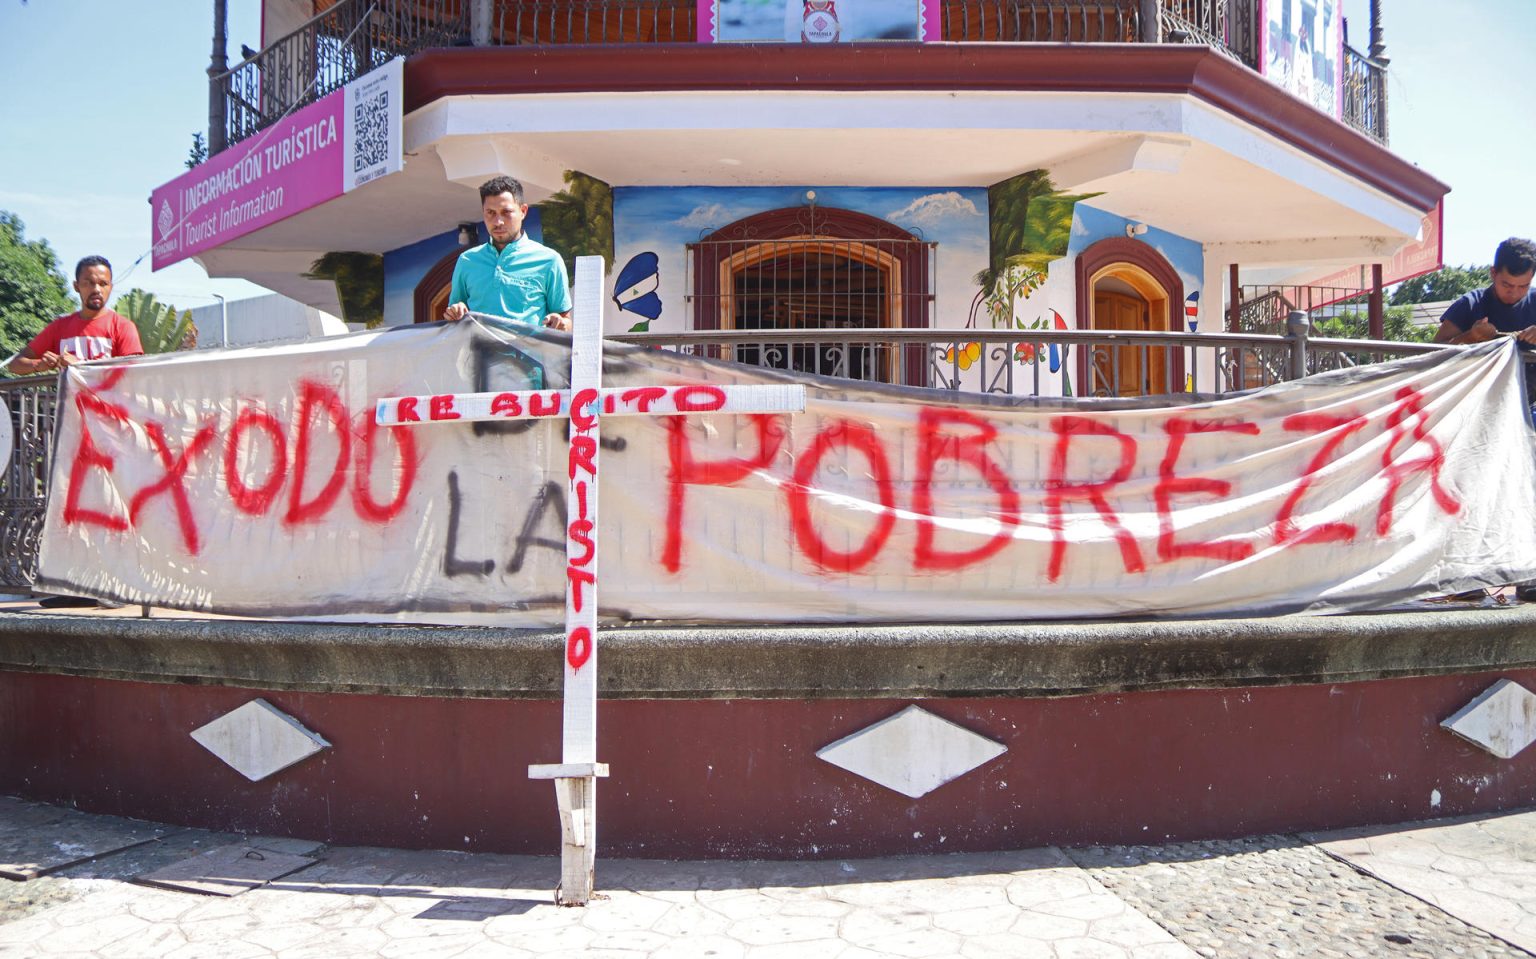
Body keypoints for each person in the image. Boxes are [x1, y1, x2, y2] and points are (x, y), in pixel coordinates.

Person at [442, 176, 573, 331]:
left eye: (506, 212)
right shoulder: (467, 260)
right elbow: (454, 315)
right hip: (479, 355)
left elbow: (565, 320)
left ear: (523, 211)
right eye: (490, 212)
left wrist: (560, 323)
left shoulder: (549, 260)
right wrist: (456, 311)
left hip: (529, 355)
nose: (498, 222)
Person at [8, 255, 143, 375]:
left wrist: (80, 365)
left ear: (111, 287)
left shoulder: (123, 326)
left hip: (111, 403)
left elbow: (135, 372)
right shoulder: (59, 326)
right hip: (69, 403)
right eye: (88, 283)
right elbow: (15, 365)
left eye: (103, 284)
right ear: (76, 286)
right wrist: (39, 365)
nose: (97, 289)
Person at [1432, 237, 1536, 347]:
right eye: (1507, 285)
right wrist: (1471, 336)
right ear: (1493, 273)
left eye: (1523, 286)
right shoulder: (1469, 304)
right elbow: (1433, 353)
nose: (1514, 293)